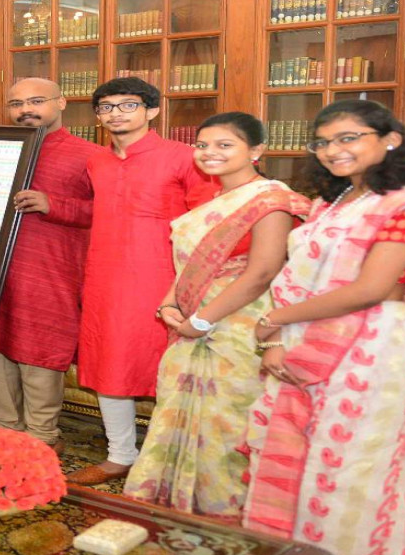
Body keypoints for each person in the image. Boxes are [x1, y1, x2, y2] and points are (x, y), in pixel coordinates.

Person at [242, 100, 405, 555]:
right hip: (302, 340)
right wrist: (276, 339)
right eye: (322, 142)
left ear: (390, 140)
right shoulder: (331, 203)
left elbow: (372, 289)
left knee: (351, 472)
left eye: (348, 137)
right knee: (299, 466)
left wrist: (274, 319)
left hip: (371, 353)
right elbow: (297, 278)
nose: (332, 150)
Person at [123, 112, 309, 518]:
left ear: (256, 151)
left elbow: (262, 273)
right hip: (191, 321)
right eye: (202, 145)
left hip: (241, 327)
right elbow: (188, 266)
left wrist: (202, 321)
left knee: (227, 424)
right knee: (176, 413)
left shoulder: (271, 201)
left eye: (225, 145)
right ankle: (176, 508)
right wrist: (169, 304)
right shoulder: (213, 200)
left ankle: (226, 515)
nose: (209, 153)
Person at [67, 77, 218, 486]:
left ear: (152, 110)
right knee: (110, 360)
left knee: (171, 364)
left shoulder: (183, 158)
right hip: (105, 276)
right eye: (106, 107)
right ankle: (120, 455)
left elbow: (209, 221)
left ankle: (174, 458)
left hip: (165, 277)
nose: (116, 114)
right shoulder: (96, 161)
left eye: (127, 105)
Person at [0, 78, 100, 453]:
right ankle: (5, 427)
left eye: (35, 101)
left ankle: (41, 436)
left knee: (40, 345)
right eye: (15, 104)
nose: (25, 110)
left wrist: (54, 205)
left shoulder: (90, 155)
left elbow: (114, 212)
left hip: (50, 269)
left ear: (61, 103)